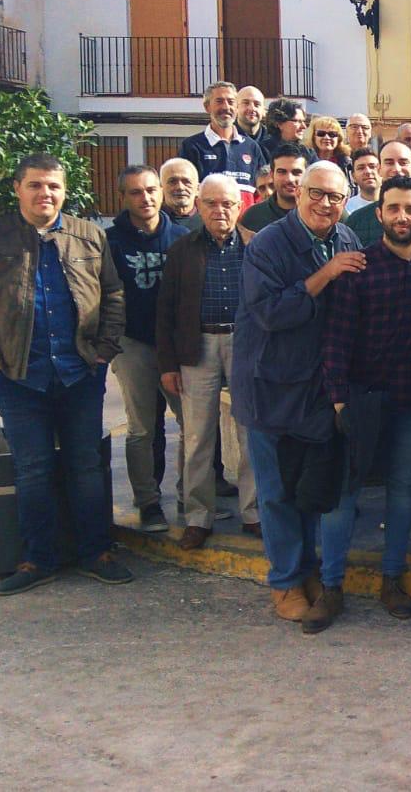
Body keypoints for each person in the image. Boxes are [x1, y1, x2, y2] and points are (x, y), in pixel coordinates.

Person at [0, 153, 131, 594]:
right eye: (35, 185)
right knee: (32, 469)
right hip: (19, 375)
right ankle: (38, 559)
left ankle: (96, 551)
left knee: (86, 466)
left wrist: (104, 352)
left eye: (53, 186)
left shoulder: (88, 236)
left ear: (64, 190)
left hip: (79, 373)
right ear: (18, 188)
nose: (45, 194)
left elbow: (112, 294)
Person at [230, 161, 363, 629]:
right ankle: (285, 580)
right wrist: (324, 274)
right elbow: (269, 312)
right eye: (317, 193)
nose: (325, 204)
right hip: (269, 388)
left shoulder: (347, 238)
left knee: (312, 489)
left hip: (318, 389)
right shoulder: (268, 244)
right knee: (276, 493)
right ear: (297, 192)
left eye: (335, 197)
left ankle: (307, 573)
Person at [321, 176, 411, 623]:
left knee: (403, 491)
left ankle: (392, 578)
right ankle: (330, 586)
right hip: (361, 399)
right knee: (344, 493)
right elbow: (336, 339)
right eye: (393, 208)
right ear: (378, 214)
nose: (402, 217)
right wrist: (339, 401)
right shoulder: (357, 267)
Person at [156, 174, 260, 548]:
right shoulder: (182, 250)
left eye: (227, 203)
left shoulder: (255, 246)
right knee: (199, 436)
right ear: (199, 206)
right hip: (197, 345)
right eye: (211, 203)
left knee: (251, 431)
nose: (220, 210)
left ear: (239, 206)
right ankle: (198, 517)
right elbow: (165, 311)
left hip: (245, 345)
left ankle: (254, 512)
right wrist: (168, 363)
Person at [104, 165, 187, 534]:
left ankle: (192, 494)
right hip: (133, 343)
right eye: (137, 192)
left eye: (152, 190)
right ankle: (148, 502)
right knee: (142, 428)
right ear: (124, 197)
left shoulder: (181, 237)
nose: (147, 198)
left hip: (177, 346)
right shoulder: (111, 242)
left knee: (194, 426)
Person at [178, 81, 262, 207]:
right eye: (219, 101)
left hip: (245, 225)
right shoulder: (192, 146)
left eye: (231, 102)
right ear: (207, 107)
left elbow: (261, 190)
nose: (226, 107)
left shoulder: (252, 146)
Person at [237, 144, 306, 235]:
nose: (289, 179)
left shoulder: (318, 212)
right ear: (272, 175)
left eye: (296, 172)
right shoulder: (254, 216)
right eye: (282, 172)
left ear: (307, 175)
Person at [159, 157, 202, 229]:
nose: (180, 187)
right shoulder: (152, 222)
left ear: (198, 189)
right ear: (161, 188)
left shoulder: (209, 222)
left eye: (186, 182)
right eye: (172, 181)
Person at [345, 148, 381, 214]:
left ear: (382, 171)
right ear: (353, 177)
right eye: (361, 168)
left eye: (372, 167)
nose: (368, 171)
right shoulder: (346, 209)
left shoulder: (395, 202)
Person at [235, 85, 268, 152]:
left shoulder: (274, 142)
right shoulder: (226, 139)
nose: (252, 108)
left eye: (257, 104)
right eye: (246, 103)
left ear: (264, 111)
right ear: (236, 108)